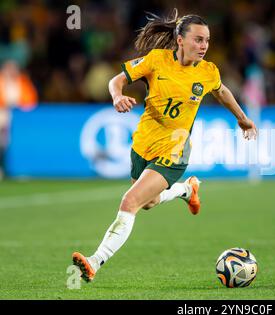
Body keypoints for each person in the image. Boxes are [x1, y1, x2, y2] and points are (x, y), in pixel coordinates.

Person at [72, 10, 257, 282]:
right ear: (180, 40)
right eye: (197, 40)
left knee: (130, 201)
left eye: (206, 40)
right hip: (144, 142)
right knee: (149, 202)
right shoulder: (157, 61)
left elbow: (221, 91)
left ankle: (94, 262)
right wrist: (117, 96)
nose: (204, 46)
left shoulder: (208, 72)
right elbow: (117, 80)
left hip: (175, 149)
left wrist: (243, 119)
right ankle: (186, 189)